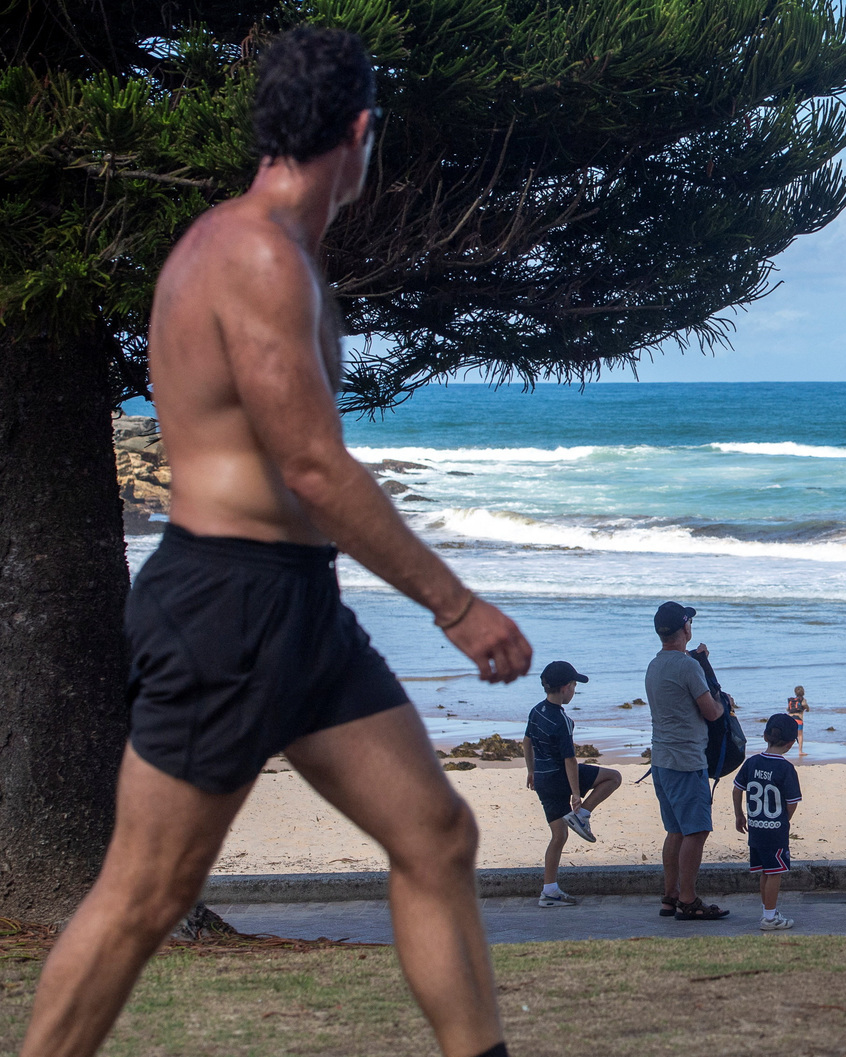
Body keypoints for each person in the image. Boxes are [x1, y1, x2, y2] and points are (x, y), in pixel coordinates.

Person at [20, 28, 530, 1057]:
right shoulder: (252, 255)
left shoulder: (276, 251)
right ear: (358, 132)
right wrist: (456, 604)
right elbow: (311, 466)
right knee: (144, 895)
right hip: (226, 607)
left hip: (296, 605)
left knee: (434, 834)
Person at [645, 601, 729, 921]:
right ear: (685, 629)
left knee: (676, 831)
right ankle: (689, 899)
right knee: (696, 831)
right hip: (686, 761)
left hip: (662, 759)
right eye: (689, 622)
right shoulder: (687, 666)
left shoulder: (655, 665)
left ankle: (670, 896)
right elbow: (711, 712)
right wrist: (724, 705)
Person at [524, 661, 622, 907]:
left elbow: (526, 742)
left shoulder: (536, 711)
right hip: (560, 777)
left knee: (559, 835)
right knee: (614, 777)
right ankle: (583, 815)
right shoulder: (562, 720)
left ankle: (549, 891)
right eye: (575, 685)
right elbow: (570, 760)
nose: (575, 690)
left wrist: (531, 770)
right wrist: (577, 795)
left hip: (543, 780)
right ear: (566, 687)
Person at [732, 714, 803, 930]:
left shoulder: (752, 762)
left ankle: (768, 911)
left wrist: (739, 815)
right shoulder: (786, 768)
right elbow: (792, 802)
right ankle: (770, 918)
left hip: (756, 828)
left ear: (765, 736)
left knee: (765, 871)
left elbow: (737, 789)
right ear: (791, 744)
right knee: (775, 874)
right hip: (775, 830)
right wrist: (784, 820)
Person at [786, 685, 809, 755]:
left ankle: (783, 750)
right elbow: (804, 705)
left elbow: (787, 709)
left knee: (787, 734)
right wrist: (807, 708)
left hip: (790, 718)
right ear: (803, 692)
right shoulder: (802, 699)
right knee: (800, 735)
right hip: (798, 719)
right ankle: (800, 751)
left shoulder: (792, 701)